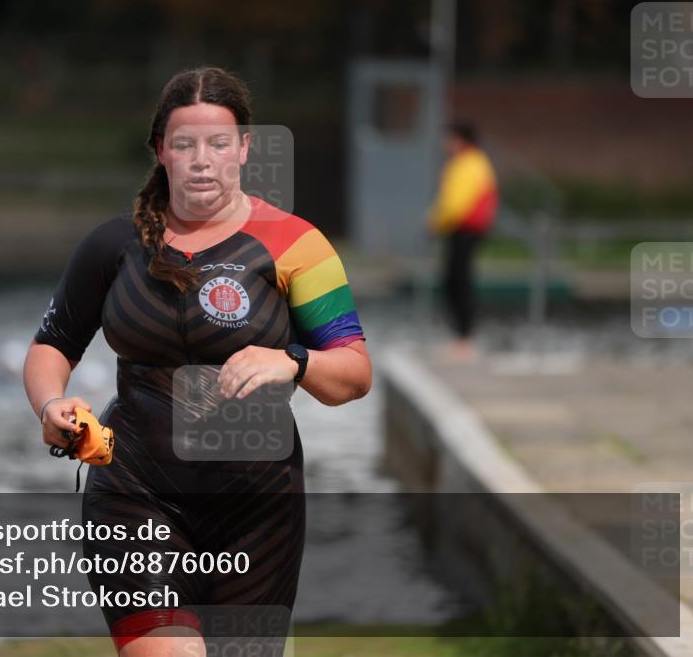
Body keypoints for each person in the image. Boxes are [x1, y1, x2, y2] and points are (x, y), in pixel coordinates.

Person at [24, 66, 372, 657]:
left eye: (217, 143)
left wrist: (292, 359)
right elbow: (51, 345)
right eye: (184, 144)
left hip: (258, 507)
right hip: (134, 489)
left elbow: (354, 375)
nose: (201, 161)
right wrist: (53, 402)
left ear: (244, 148)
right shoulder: (113, 247)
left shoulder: (296, 245)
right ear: (161, 151)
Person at [427, 121, 498, 361]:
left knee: (458, 282)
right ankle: (462, 338)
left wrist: (435, 223)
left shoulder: (467, 164)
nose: (446, 144)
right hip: (465, 230)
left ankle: (464, 339)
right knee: (457, 281)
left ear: (460, 139)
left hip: (464, 230)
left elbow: (455, 203)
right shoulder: (476, 162)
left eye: (450, 138)